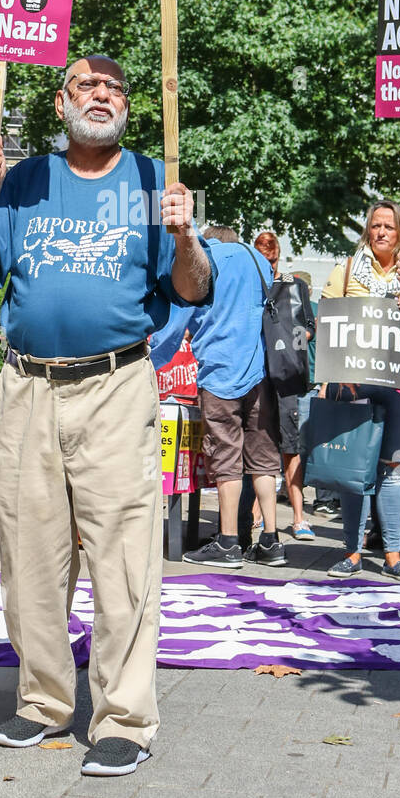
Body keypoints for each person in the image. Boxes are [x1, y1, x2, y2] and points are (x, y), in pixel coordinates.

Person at [0, 55, 213, 778]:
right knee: (30, 554)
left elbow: (191, 291)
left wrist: (186, 235)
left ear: (128, 104)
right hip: (28, 390)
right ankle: (41, 702)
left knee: (125, 556)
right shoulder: (22, 178)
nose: (101, 96)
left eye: (114, 88)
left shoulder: (154, 181)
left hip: (117, 387)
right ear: (61, 100)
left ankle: (123, 718)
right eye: (86, 86)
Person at [151, 227, 284, 569]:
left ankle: (227, 542)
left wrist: (150, 360)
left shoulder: (204, 260)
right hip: (261, 370)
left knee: (225, 454)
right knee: (262, 454)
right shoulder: (257, 260)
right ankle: (271, 540)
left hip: (222, 370)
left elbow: (179, 315)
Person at [321, 199, 400, 582]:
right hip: (353, 384)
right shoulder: (346, 269)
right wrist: (329, 380)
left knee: (392, 472)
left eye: (389, 227)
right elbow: (326, 319)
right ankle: (351, 553)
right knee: (354, 470)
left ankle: (393, 554)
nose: (381, 232)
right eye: (375, 225)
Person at [253, 231, 316, 541]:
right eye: (263, 261)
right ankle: (257, 515)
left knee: (291, 448)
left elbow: (309, 327)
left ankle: (299, 516)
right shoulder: (252, 286)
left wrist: (291, 341)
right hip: (256, 374)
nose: (269, 266)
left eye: (273, 260)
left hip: (288, 377)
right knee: (259, 444)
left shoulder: (295, 286)